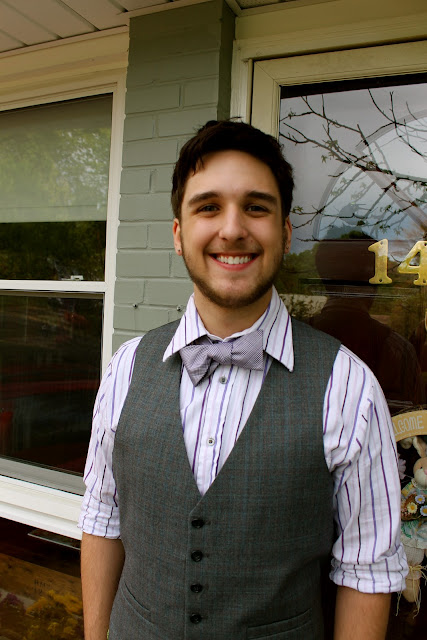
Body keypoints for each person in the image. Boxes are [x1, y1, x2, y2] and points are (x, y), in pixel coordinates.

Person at [79, 120, 407, 640]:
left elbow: (367, 572)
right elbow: (102, 521)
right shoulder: (124, 369)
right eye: (208, 207)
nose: (232, 229)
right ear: (179, 233)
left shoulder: (349, 387)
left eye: (256, 207)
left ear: (285, 232)